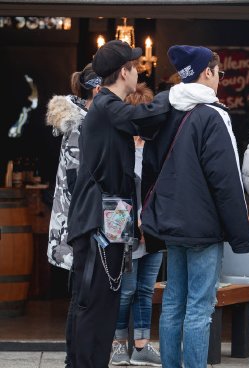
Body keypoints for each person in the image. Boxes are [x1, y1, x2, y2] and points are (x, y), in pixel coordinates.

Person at [138, 45, 249, 368]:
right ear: (208, 73)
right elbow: (225, 180)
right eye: (219, 73)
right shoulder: (213, 116)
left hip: (172, 225)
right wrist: (240, 233)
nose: (220, 78)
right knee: (200, 307)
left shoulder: (165, 109)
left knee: (174, 301)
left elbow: (149, 164)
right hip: (203, 228)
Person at [66, 40, 170, 368]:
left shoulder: (109, 106)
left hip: (112, 215)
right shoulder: (108, 105)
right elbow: (145, 116)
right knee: (94, 302)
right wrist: (177, 94)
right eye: (135, 68)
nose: (139, 73)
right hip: (98, 219)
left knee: (104, 300)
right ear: (124, 71)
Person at [46, 63, 101, 368]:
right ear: (97, 87)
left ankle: (75, 360)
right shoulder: (80, 124)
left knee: (80, 297)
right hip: (78, 225)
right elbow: (77, 181)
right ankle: (74, 361)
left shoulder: (82, 119)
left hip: (77, 222)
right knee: (82, 297)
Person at [110, 83, 162, 367]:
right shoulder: (119, 145)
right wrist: (133, 222)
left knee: (145, 289)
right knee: (126, 289)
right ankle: (118, 344)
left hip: (153, 227)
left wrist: (149, 221)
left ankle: (141, 344)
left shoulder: (155, 145)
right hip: (124, 227)